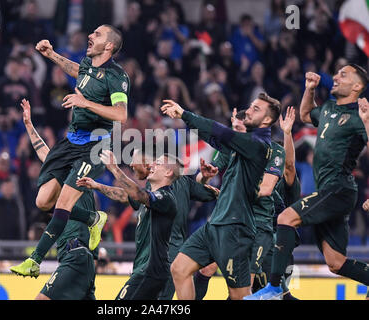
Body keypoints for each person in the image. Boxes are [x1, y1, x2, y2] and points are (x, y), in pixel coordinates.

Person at [10, 24, 130, 278]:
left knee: (63, 204)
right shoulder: (88, 62)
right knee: (43, 201)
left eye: (97, 34)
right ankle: (93, 218)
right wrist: (52, 55)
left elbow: (121, 114)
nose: (90, 35)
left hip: (94, 145)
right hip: (71, 141)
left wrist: (84, 102)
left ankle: (34, 260)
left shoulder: (117, 77)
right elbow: (79, 72)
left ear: (109, 46)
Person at [244, 64, 369, 299]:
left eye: (343, 75)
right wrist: (309, 89)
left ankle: (273, 289)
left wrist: (367, 121)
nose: (335, 77)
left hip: (338, 189)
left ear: (357, 86)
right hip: (328, 190)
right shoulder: (329, 108)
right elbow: (304, 115)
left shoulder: (360, 115)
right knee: (335, 262)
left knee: (286, 218)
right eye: (337, 73)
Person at [161, 92, 281, 300]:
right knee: (179, 269)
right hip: (215, 225)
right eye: (251, 106)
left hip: (235, 229)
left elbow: (221, 133)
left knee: (239, 295)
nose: (249, 110)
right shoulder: (239, 147)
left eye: (256, 109)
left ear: (268, 120)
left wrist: (185, 114)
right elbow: (214, 136)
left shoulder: (258, 146)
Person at [77, 148, 218, 300]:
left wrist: (114, 169)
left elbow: (210, 193)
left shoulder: (168, 192)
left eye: (134, 160)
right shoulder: (153, 188)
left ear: (148, 164)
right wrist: (98, 186)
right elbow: (131, 196)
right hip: (148, 264)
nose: (131, 164)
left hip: (161, 263)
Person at [9, 99, 101, 300]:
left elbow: (48, 155)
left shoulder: (77, 175)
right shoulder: (62, 172)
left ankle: (92, 218)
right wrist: (28, 125)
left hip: (75, 253)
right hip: (76, 256)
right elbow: (44, 153)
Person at [98, 150, 178, 300]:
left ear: (168, 172)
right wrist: (96, 186)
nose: (152, 165)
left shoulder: (165, 198)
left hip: (150, 270)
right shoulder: (149, 197)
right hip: (146, 269)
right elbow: (125, 195)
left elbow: (137, 194)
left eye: (158, 163)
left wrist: (114, 168)